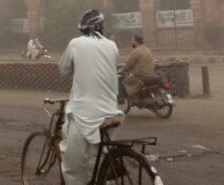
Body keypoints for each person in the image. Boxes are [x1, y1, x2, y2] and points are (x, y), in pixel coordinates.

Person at [58, 10, 123, 185]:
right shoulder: (112, 45)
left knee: (73, 165)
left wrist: (76, 67)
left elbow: (63, 69)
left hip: (83, 114)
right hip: (111, 111)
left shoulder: (75, 43)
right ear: (101, 27)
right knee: (105, 153)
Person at [120, 35, 160, 100]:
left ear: (136, 42)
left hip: (141, 75)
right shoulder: (147, 49)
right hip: (151, 74)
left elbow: (129, 64)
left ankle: (133, 96)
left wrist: (122, 70)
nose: (131, 42)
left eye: (132, 40)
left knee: (125, 82)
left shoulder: (136, 51)